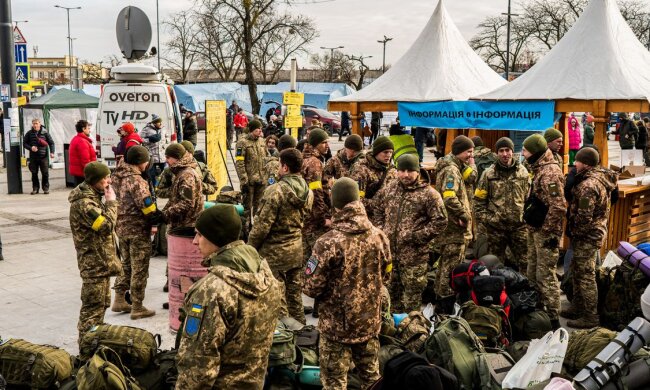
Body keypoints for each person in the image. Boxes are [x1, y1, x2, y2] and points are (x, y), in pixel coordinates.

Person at [175, 205, 281, 389]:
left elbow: (198, 363)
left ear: (216, 237)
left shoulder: (210, 291)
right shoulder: (265, 274)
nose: (194, 241)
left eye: (199, 235)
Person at [303, 177, 392, 390]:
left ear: (336, 204)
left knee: (335, 383)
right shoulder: (380, 237)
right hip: (369, 322)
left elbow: (311, 287)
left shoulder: (327, 243)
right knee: (371, 379)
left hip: (336, 329)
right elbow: (386, 276)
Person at [375, 154, 447, 312]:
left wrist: (417, 236)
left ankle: (411, 333)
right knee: (391, 300)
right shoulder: (389, 189)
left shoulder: (429, 194)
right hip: (390, 257)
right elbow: (378, 209)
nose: (405, 175)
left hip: (414, 258)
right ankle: (394, 333)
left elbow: (440, 221)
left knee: (411, 303)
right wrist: (381, 230)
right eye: (402, 170)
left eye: (410, 171)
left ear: (417, 171)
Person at [248, 149, 313, 323]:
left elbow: (261, 227)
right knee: (294, 298)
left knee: (277, 300)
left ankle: (284, 339)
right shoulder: (308, 191)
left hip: (274, 255)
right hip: (296, 250)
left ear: (284, 167)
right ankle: (302, 334)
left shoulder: (275, 191)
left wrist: (249, 249)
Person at [563, 147, 617, 328]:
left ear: (585, 164)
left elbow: (584, 216)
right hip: (595, 232)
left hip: (587, 235)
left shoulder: (588, 186)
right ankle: (578, 306)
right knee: (577, 270)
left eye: (576, 162)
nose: (574, 165)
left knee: (586, 275)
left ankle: (590, 316)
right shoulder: (600, 178)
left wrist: (575, 231)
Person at [68, 162, 121, 345]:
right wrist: (112, 203)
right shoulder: (85, 204)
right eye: (105, 178)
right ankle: (86, 349)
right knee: (92, 310)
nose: (109, 181)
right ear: (94, 181)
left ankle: (94, 342)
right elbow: (106, 226)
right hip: (94, 265)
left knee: (100, 306)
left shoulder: (94, 196)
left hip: (101, 263)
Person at [110, 146, 162, 320]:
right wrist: (159, 218)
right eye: (146, 161)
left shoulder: (116, 175)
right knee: (140, 268)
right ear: (141, 162)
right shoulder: (136, 180)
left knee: (126, 264)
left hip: (121, 227)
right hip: (137, 229)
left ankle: (118, 299)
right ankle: (137, 306)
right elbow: (147, 207)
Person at [521, 134, 567, 330]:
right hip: (535, 230)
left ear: (535, 151)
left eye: (525, 150)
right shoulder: (538, 167)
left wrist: (546, 231)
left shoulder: (549, 173)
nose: (522, 154)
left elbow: (559, 206)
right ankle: (537, 312)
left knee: (545, 275)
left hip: (545, 233)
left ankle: (553, 317)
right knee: (532, 271)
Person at [474, 137, 530, 272]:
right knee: (495, 265)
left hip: (519, 227)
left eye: (507, 150)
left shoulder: (523, 172)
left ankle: (524, 290)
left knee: (526, 263)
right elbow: (478, 201)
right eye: (501, 151)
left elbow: (529, 198)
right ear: (497, 153)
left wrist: (526, 218)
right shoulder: (488, 174)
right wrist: (488, 219)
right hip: (496, 229)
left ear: (512, 151)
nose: (505, 154)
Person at [433, 135, 474, 313]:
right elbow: (449, 198)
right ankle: (445, 305)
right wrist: (464, 215)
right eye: (468, 152)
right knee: (450, 268)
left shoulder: (454, 166)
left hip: (451, 227)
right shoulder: (451, 170)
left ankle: (440, 300)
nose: (471, 156)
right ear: (458, 152)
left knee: (444, 266)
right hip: (454, 229)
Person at [349, 136, 397, 226]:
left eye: (391, 152)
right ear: (376, 152)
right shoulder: (361, 169)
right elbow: (357, 200)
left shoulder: (392, 170)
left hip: (388, 218)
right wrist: (381, 205)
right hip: (368, 219)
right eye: (385, 152)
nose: (389, 155)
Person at [161, 143, 203, 231]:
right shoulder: (181, 172)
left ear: (177, 157)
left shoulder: (186, 175)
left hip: (187, 225)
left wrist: (165, 214)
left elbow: (187, 203)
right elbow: (175, 199)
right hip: (183, 223)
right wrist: (162, 213)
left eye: (168, 157)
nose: (166, 160)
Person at [235, 119, 269, 224]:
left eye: (260, 129)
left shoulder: (262, 141)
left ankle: (256, 229)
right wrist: (244, 179)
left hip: (261, 180)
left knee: (259, 207)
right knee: (247, 208)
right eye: (257, 129)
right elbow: (239, 162)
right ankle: (246, 229)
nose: (260, 130)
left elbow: (267, 157)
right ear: (251, 130)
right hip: (249, 181)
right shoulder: (242, 142)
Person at [23, 118, 55, 195]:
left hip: (44, 157)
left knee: (45, 173)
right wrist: (31, 148)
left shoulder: (45, 132)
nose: (35, 125)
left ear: (40, 124)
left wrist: (52, 152)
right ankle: (35, 188)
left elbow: (51, 143)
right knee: (34, 173)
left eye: (36, 123)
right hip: (33, 157)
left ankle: (45, 188)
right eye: (33, 123)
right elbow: (24, 143)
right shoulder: (29, 133)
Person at [69, 120, 97, 186]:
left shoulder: (76, 139)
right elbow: (85, 160)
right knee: (84, 194)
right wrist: (91, 173)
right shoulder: (82, 141)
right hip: (83, 174)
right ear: (83, 129)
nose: (89, 130)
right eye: (88, 128)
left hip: (79, 173)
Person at [140, 115, 165, 185]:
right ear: (154, 123)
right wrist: (149, 139)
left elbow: (167, 137)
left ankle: (160, 188)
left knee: (163, 174)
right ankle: (153, 189)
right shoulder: (147, 129)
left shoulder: (163, 128)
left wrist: (166, 144)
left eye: (161, 122)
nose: (160, 123)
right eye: (158, 122)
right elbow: (140, 139)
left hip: (162, 157)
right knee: (152, 175)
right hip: (152, 157)